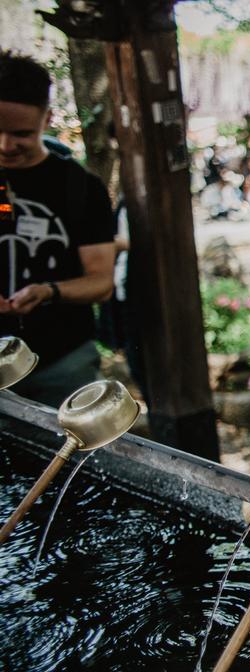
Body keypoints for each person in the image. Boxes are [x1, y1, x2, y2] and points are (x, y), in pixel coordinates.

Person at [0, 51, 115, 407]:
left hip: (61, 361)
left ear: (47, 119)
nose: (5, 146)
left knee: (68, 461)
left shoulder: (80, 187)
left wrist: (47, 291)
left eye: (21, 134)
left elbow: (101, 281)